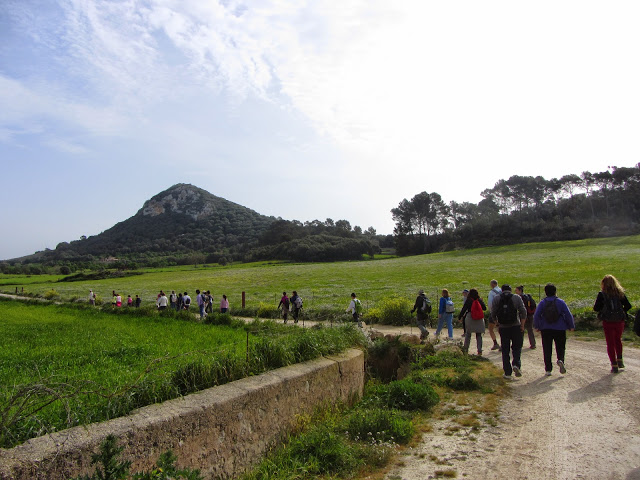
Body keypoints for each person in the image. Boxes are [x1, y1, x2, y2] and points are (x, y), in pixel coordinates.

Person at [593, 274, 633, 373]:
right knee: (618, 340)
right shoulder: (619, 293)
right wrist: (622, 311)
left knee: (610, 343)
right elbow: (628, 305)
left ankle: (614, 364)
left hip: (608, 321)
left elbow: (596, 308)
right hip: (619, 321)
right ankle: (620, 360)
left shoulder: (602, 294)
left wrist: (603, 310)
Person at [533, 283, 575, 376]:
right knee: (560, 346)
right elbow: (568, 314)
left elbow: (536, 315)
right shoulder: (560, 302)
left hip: (546, 328)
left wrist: (537, 326)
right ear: (555, 292)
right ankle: (560, 360)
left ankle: (548, 369)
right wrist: (571, 326)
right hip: (560, 328)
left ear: (545, 292)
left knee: (547, 348)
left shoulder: (543, 302)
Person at [491, 284, 527, 380]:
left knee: (505, 349)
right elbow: (523, 311)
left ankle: (507, 372)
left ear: (501, 290)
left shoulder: (496, 298)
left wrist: (497, 323)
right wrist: (522, 325)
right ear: (510, 290)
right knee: (517, 347)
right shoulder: (516, 297)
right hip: (516, 326)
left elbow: (493, 313)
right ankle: (516, 365)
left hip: (503, 327)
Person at [459, 288, 486, 355]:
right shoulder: (479, 300)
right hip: (479, 318)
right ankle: (479, 350)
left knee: (468, 334)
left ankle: (466, 349)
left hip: (470, 317)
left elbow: (464, 309)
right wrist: (482, 301)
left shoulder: (468, 300)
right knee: (479, 334)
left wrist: (460, 317)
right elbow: (484, 308)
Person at [487, 280, 502, 351]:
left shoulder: (492, 292)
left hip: (494, 312)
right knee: (502, 328)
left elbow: (490, 303)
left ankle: (495, 343)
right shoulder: (501, 291)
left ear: (492, 284)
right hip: (502, 312)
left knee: (490, 328)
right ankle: (503, 343)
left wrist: (491, 311)